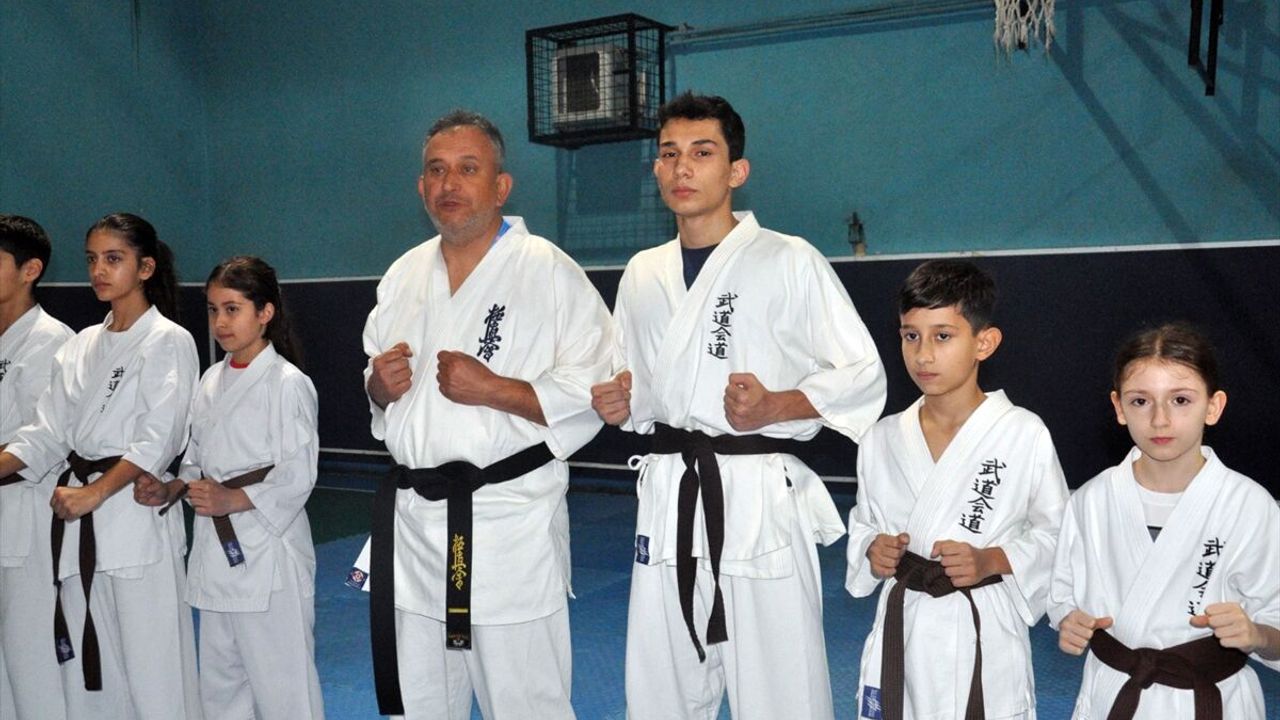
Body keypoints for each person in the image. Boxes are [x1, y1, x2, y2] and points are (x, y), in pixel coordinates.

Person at [592, 92, 887, 720]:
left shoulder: (788, 259)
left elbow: (862, 374)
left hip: (758, 494)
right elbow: (631, 382)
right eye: (668, 154)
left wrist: (778, 404)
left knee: (781, 689)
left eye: (702, 153)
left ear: (737, 170)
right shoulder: (642, 272)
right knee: (660, 687)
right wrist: (618, 401)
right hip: (668, 492)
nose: (682, 168)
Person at [352, 110, 612, 719]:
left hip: (506, 525)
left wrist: (496, 390)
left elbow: (594, 390)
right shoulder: (402, 274)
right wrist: (378, 387)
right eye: (436, 170)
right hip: (415, 524)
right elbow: (376, 382)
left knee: (526, 705)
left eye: (468, 169)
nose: (449, 184)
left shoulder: (549, 270)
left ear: (501, 186)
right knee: (419, 704)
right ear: (421, 186)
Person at [845, 259, 1069, 720]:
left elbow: (1059, 536)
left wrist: (993, 559)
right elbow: (863, 522)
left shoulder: (1022, 433)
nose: (923, 355)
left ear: (984, 342)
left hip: (983, 622)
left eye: (943, 336)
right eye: (911, 336)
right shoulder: (880, 438)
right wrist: (872, 548)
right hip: (903, 622)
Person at [0, 213, 201, 719]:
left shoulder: (168, 339)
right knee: (92, 680)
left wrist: (96, 492)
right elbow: (46, 431)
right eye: (92, 259)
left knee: (154, 675)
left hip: (132, 517)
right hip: (77, 529)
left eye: (114, 259)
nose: (98, 271)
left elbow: (159, 436)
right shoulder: (82, 344)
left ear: (145, 267)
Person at [1048, 322, 1280, 719]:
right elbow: (1063, 599)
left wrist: (1256, 634)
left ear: (1213, 406)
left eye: (1180, 400)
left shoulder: (1249, 506)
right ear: (1119, 407)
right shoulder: (1091, 501)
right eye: (1140, 401)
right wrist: (1070, 624)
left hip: (1212, 697)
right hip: (1114, 692)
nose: (1159, 420)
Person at [159, 256, 324, 719]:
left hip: (268, 552)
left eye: (233, 309)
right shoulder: (211, 379)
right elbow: (196, 457)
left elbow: (297, 473)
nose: (220, 322)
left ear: (265, 312)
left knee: (285, 686)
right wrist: (174, 487)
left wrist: (232, 498)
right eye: (214, 309)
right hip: (216, 554)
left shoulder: (287, 383)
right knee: (221, 686)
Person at [0, 214, 74, 720]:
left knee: (31, 659)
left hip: (28, 520)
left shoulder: (52, 341)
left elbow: (42, 440)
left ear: (31, 270)